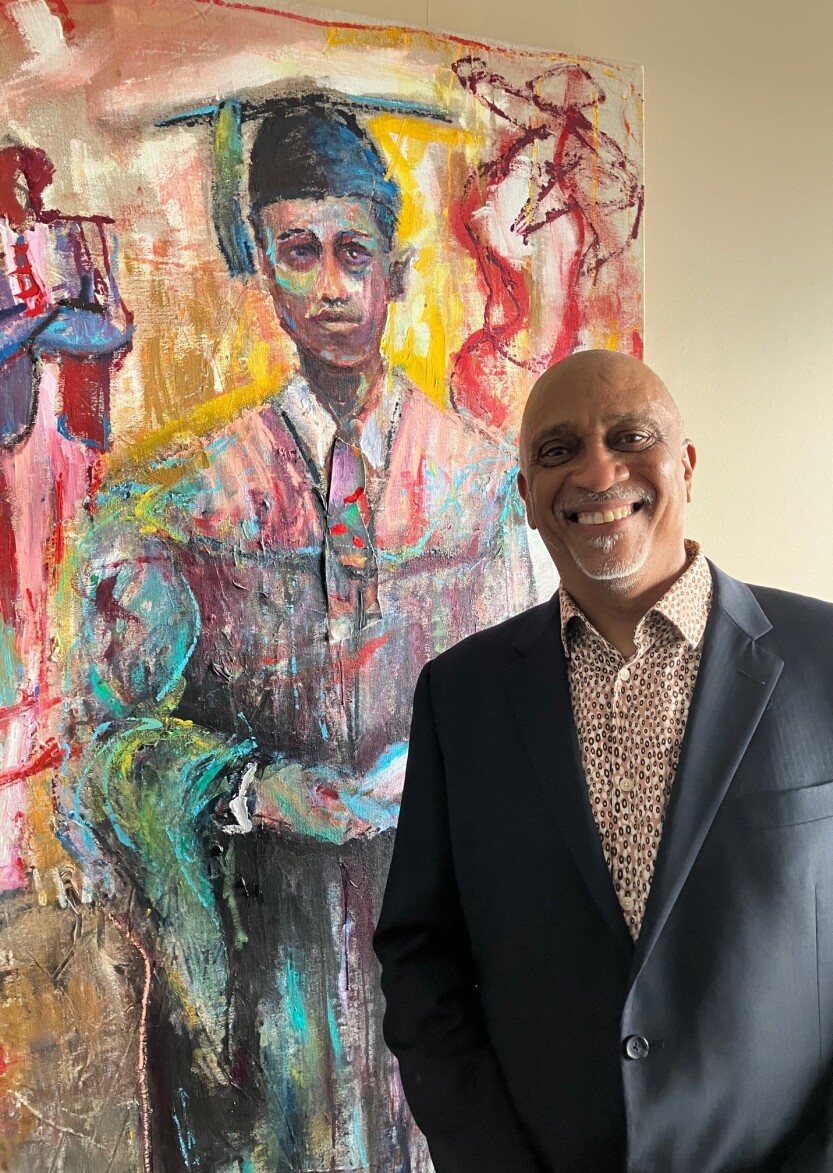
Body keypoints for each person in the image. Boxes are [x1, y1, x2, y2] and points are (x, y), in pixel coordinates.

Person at [58, 99, 533, 1172]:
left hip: (438, 984)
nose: (329, 287)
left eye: (353, 253)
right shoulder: (182, 503)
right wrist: (253, 790)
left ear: (395, 270)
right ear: (264, 273)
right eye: (298, 252)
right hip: (256, 996)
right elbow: (103, 756)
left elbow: (537, 726)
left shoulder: (483, 493)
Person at [374, 348, 833, 1173]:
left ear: (686, 465)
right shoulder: (460, 696)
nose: (597, 471)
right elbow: (421, 956)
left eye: (630, 436)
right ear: (528, 497)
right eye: (558, 449)